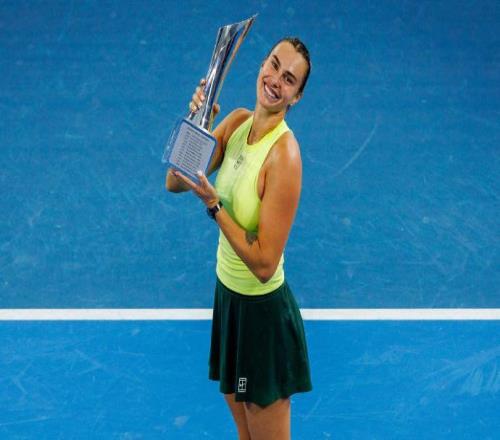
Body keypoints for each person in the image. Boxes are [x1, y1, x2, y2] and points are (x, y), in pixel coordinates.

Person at [166, 36, 312, 440]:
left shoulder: (284, 156)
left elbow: (265, 264)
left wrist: (216, 207)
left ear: (296, 97)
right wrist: (196, 121)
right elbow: (174, 181)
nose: (275, 80)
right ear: (262, 63)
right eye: (273, 65)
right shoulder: (234, 123)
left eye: (289, 79)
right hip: (230, 303)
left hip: (262, 317)